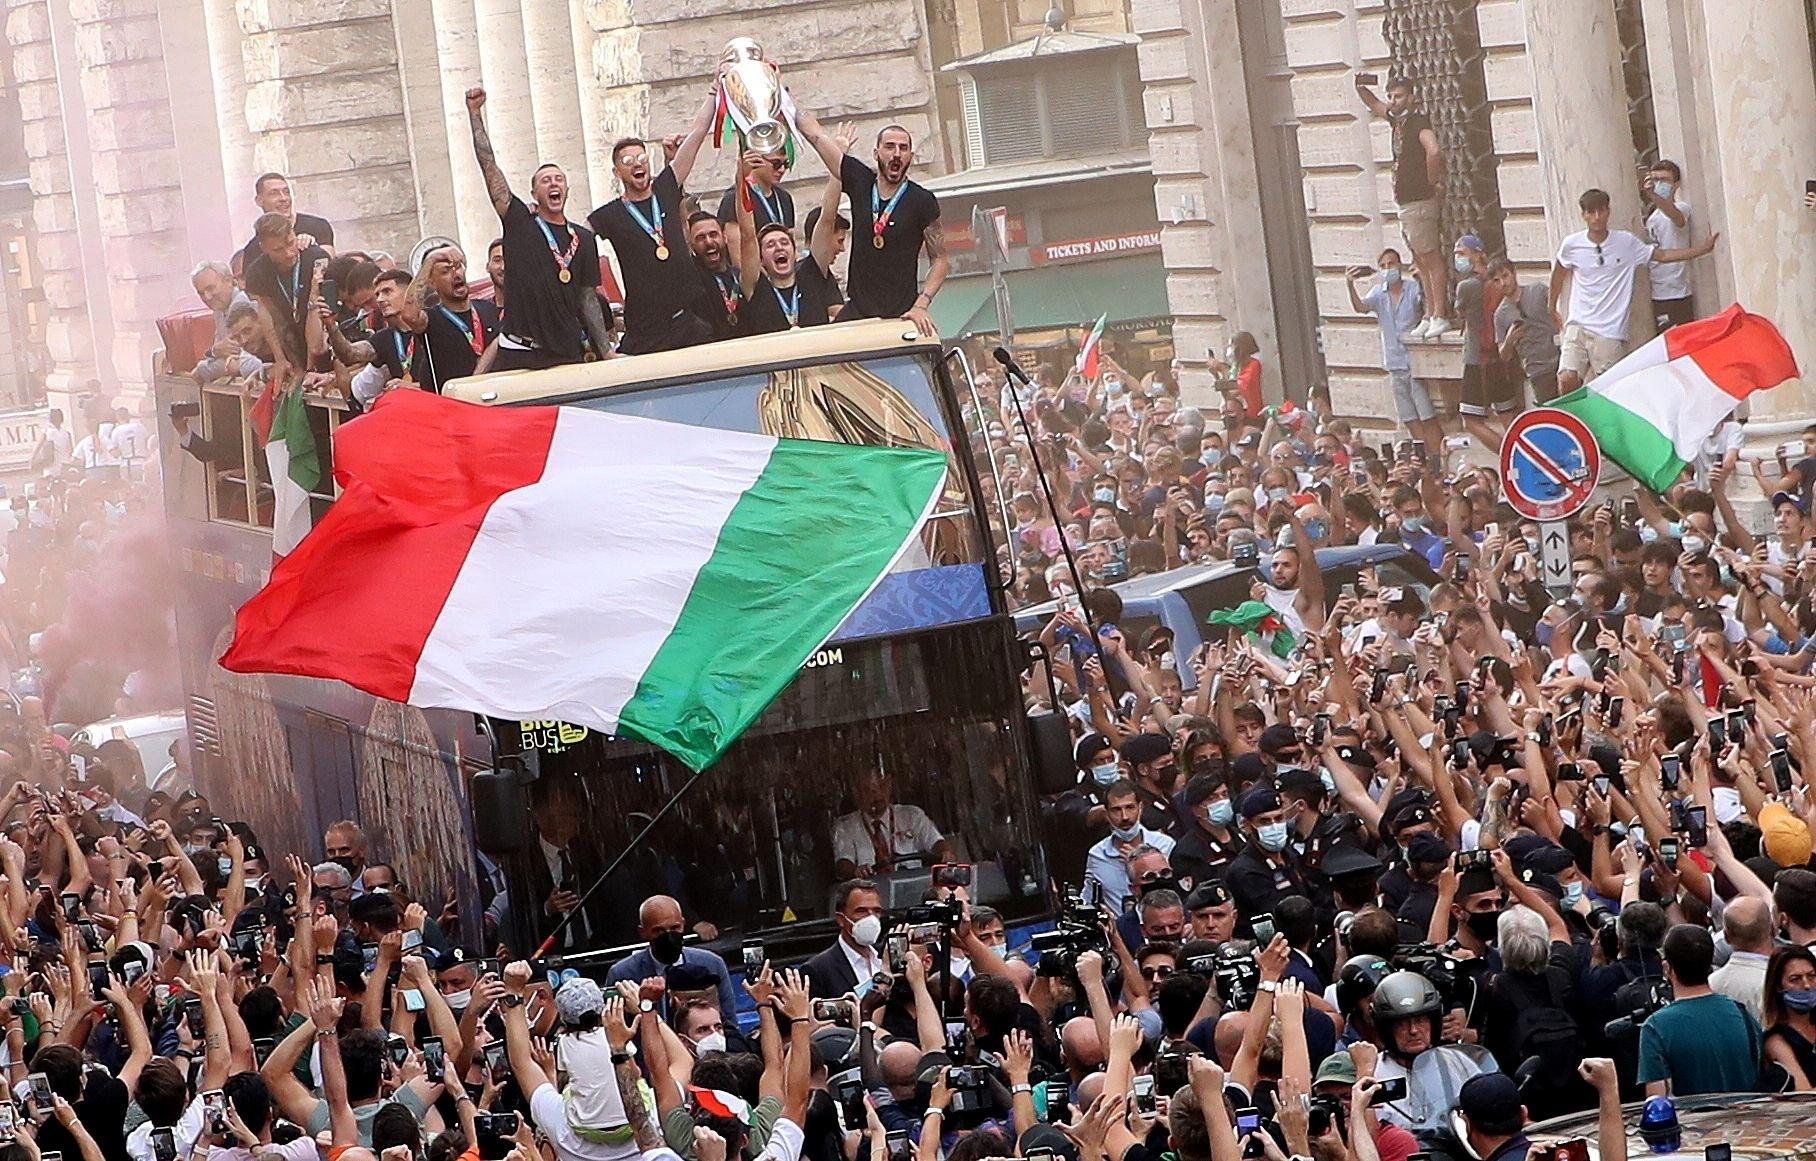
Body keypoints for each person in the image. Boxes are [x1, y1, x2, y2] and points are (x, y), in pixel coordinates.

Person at [465, 87, 611, 369]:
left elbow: (587, 297)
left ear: (567, 190)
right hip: (519, 350)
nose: (553, 183)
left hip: (564, 350)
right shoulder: (521, 223)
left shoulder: (583, 238)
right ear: (534, 194)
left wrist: (606, 351)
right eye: (545, 180)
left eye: (559, 179)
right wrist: (475, 114)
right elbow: (489, 167)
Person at [1548, 187, 1719, 392]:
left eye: (1601, 211)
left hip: (1609, 330)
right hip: (1578, 324)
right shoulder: (1571, 244)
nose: (1597, 217)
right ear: (1583, 215)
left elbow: (1662, 256)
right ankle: (1569, 412)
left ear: (1608, 212)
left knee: (1609, 390)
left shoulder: (1625, 242)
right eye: (1591, 212)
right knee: (1566, 379)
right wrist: (1551, 306)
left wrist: (1702, 250)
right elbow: (1558, 274)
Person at [795, 109, 946, 335]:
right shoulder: (861, 181)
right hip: (858, 312)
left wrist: (921, 304)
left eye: (903, 148)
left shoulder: (922, 200)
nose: (897, 154)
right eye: (890, 146)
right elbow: (816, 136)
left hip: (902, 315)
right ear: (876, 153)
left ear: (911, 156)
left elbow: (940, 259)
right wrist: (783, 103)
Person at [587, 98, 718, 355]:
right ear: (617, 172)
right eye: (628, 161)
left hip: (687, 318)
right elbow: (575, 236)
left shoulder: (665, 188)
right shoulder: (609, 214)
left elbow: (698, 133)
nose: (637, 164)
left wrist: (715, 91)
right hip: (647, 328)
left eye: (642, 158)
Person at [1355, 74, 1447, 336]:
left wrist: (1432, 180)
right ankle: (1429, 313)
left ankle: (1439, 313)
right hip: (1406, 201)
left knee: (1430, 258)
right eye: (1391, 96)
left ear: (1411, 97)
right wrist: (1360, 86)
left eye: (1398, 96)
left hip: (1419, 200)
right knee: (1419, 259)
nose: (1393, 101)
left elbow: (1434, 150)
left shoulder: (1418, 123)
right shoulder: (1397, 121)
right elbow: (1374, 104)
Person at [1637, 923, 1762, 1097]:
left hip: (1690, 1116)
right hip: (1747, 1114)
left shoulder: (1655, 1028)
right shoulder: (1742, 1015)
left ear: (1667, 968)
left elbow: (1659, 1101)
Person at [733, 154, 845, 335]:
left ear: (794, 252)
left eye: (785, 242)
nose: (779, 247)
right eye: (770, 245)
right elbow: (747, 235)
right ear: (761, 260)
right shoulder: (755, 286)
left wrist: (838, 162)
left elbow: (827, 218)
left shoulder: (811, 275)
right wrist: (741, 180)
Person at [1348, 250, 1438, 448]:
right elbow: (1361, 307)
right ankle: (1423, 453)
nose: (1388, 269)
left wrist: (1422, 277)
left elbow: (1426, 306)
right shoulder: (1378, 293)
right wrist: (1350, 285)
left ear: (1399, 265)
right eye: (1383, 265)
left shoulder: (1412, 288)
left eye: (1392, 264)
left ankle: (1437, 453)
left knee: (1427, 415)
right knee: (1409, 417)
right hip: (1395, 364)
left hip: (1414, 363)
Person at [830, 767, 952, 881]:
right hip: (870, 890)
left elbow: (936, 842)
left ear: (890, 786)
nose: (877, 795)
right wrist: (856, 871)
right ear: (857, 793)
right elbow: (843, 863)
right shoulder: (845, 826)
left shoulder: (912, 815)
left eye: (881, 786)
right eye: (868, 790)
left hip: (914, 885)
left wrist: (944, 853)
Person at [1488, 258, 1560, 404]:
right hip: (1538, 371)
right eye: (1496, 280)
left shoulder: (1538, 291)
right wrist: (1509, 340)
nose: (1503, 283)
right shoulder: (1500, 314)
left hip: (1561, 358)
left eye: (1505, 276)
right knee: (1552, 413)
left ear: (1514, 273)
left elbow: (1561, 310)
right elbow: (1504, 355)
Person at [236, 172, 335, 274]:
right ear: (259, 201)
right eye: (274, 193)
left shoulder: (317, 226)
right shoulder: (253, 249)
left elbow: (329, 265)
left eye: (286, 192)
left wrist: (312, 248)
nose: (283, 198)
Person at [801, 878, 885, 997]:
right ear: (841, 919)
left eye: (876, 911)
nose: (871, 918)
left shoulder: (886, 959)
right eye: (861, 911)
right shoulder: (818, 970)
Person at [1640, 158, 1696, 330]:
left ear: (1676, 184)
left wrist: (1654, 196)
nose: (1659, 184)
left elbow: (1675, 216)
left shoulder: (1682, 208)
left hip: (1677, 292)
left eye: (1664, 180)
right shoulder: (1652, 219)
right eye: (1655, 180)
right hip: (1658, 293)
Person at [718, 149, 795, 260]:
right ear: (756, 160)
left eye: (785, 164)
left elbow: (791, 244)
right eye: (776, 164)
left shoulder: (784, 197)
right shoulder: (734, 198)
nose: (782, 170)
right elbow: (737, 256)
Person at [1761, 945, 1816, 1090]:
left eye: (1812, 976)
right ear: (1778, 986)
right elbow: (1804, 1093)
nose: (1807, 985)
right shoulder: (1776, 1040)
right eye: (1795, 979)